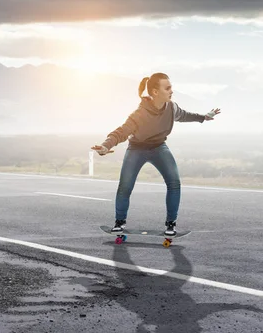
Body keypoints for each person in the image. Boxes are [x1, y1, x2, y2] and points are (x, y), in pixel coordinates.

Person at [91, 73, 220, 236]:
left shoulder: (171, 107)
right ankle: (119, 223)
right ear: (155, 92)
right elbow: (121, 132)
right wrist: (105, 145)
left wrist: (204, 117)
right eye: (167, 88)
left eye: (171, 87)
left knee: (174, 183)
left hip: (159, 147)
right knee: (125, 186)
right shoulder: (140, 113)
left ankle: (171, 224)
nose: (171, 91)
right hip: (136, 149)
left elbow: (184, 115)